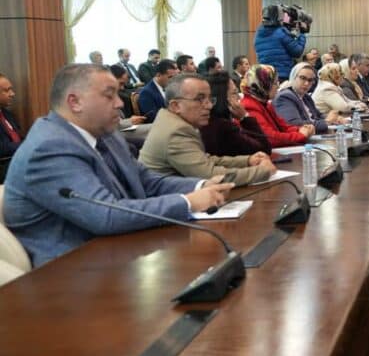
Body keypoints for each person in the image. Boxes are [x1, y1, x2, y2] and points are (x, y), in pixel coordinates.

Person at [2, 64, 232, 266]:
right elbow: (106, 215)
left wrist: (199, 185)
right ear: (75, 102)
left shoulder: (106, 134)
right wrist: (187, 202)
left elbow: (146, 181)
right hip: (71, 275)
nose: (120, 103)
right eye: (109, 95)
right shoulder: (49, 148)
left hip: (121, 252)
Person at [140, 74, 275, 186]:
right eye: (200, 99)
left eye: (210, 99)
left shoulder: (174, 122)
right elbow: (208, 175)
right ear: (175, 106)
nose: (209, 105)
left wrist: (247, 160)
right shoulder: (176, 132)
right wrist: (261, 172)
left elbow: (205, 160)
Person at [241, 65, 314, 148]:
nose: (278, 86)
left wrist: (301, 129)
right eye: (275, 83)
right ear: (263, 84)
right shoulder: (249, 106)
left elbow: (283, 127)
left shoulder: (265, 104)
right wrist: (300, 135)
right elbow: (271, 138)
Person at [200, 71, 271, 156]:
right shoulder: (224, 127)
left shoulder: (210, 122)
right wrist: (245, 117)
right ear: (221, 98)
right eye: (234, 93)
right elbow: (264, 150)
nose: (238, 97)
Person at [273, 63, 343, 134]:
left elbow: (318, 115)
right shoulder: (285, 97)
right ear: (293, 77)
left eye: (310, 80)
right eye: (303, 78)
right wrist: (327, 121)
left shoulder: (306, 97)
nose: (306, 83)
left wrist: (335, 118)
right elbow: (294, 123)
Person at [254, 4, 306, 80]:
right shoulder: (281, 33)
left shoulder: (258, 34)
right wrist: (302, 34)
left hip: (266, 75)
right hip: (283, 75)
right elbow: (297, 52)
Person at [0, 73, 23, 183]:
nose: (12, 94)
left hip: (17, 164)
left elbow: (19, 138)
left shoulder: (8, 114)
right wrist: (28, 145)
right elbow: (2, 148)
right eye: (7, 90)